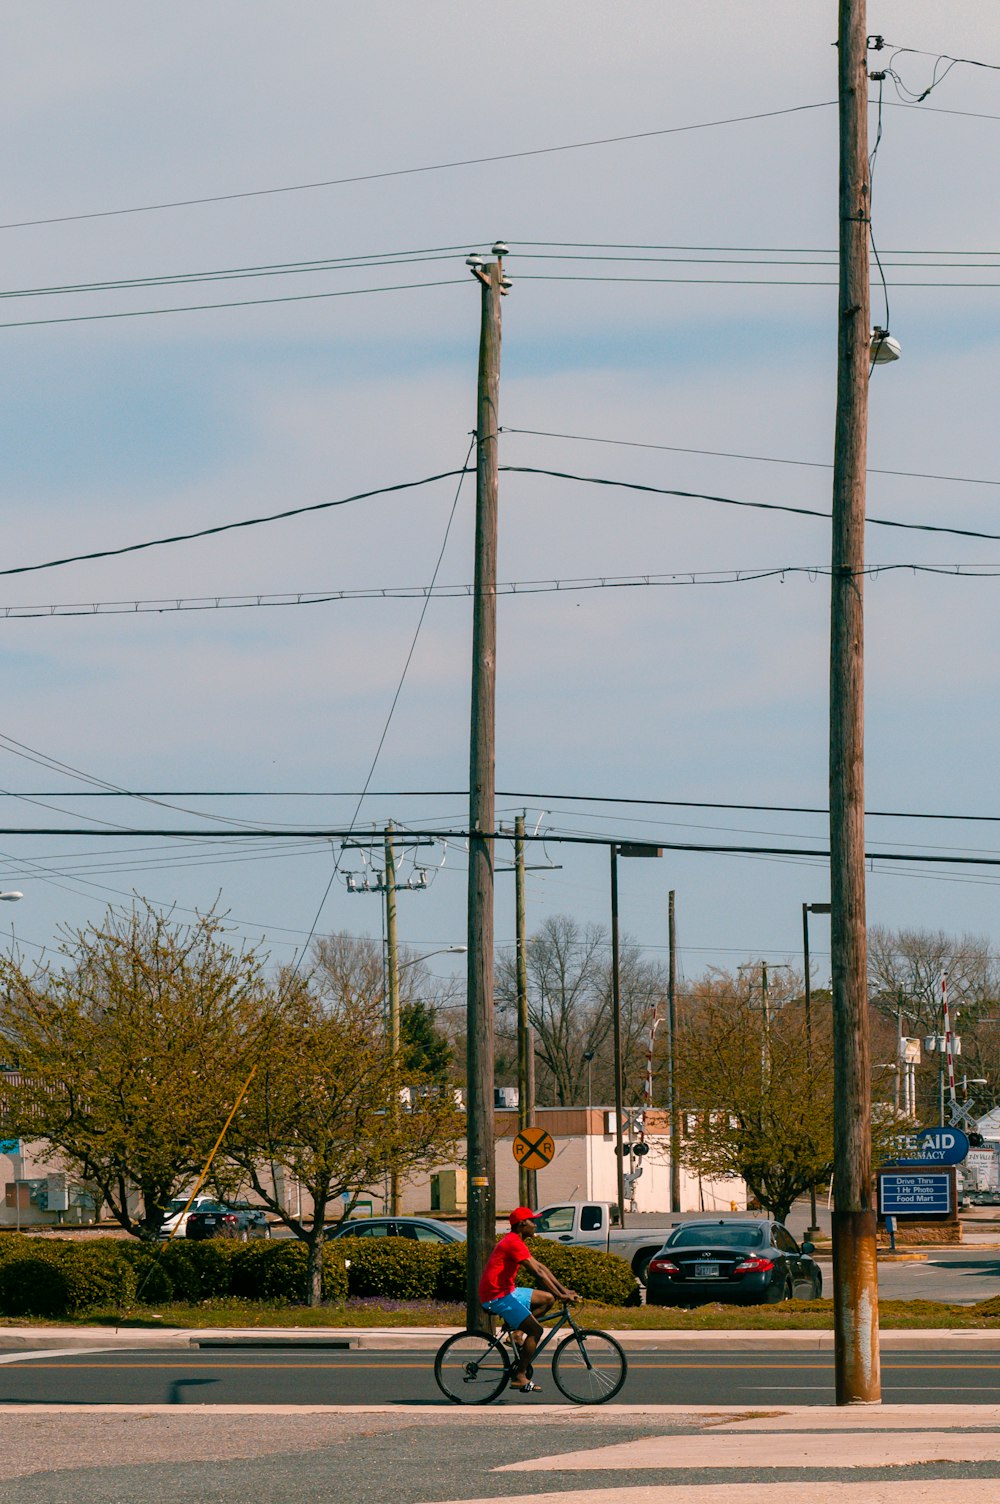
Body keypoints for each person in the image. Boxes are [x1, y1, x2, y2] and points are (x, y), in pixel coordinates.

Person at [478, 1206, 579, 1393]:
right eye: (533, 1221)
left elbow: (541, 1267)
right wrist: (562, 1295)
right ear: (522, 1224)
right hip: (496, 1296)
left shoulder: (517, 1241)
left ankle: (516, 1334)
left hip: (509, 1291)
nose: (535, 1225)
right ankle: (520, 1376)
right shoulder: (512, 1243)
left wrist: (563, 1291)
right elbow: (537, 1273)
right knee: (536, 1330)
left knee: (547, 1299)